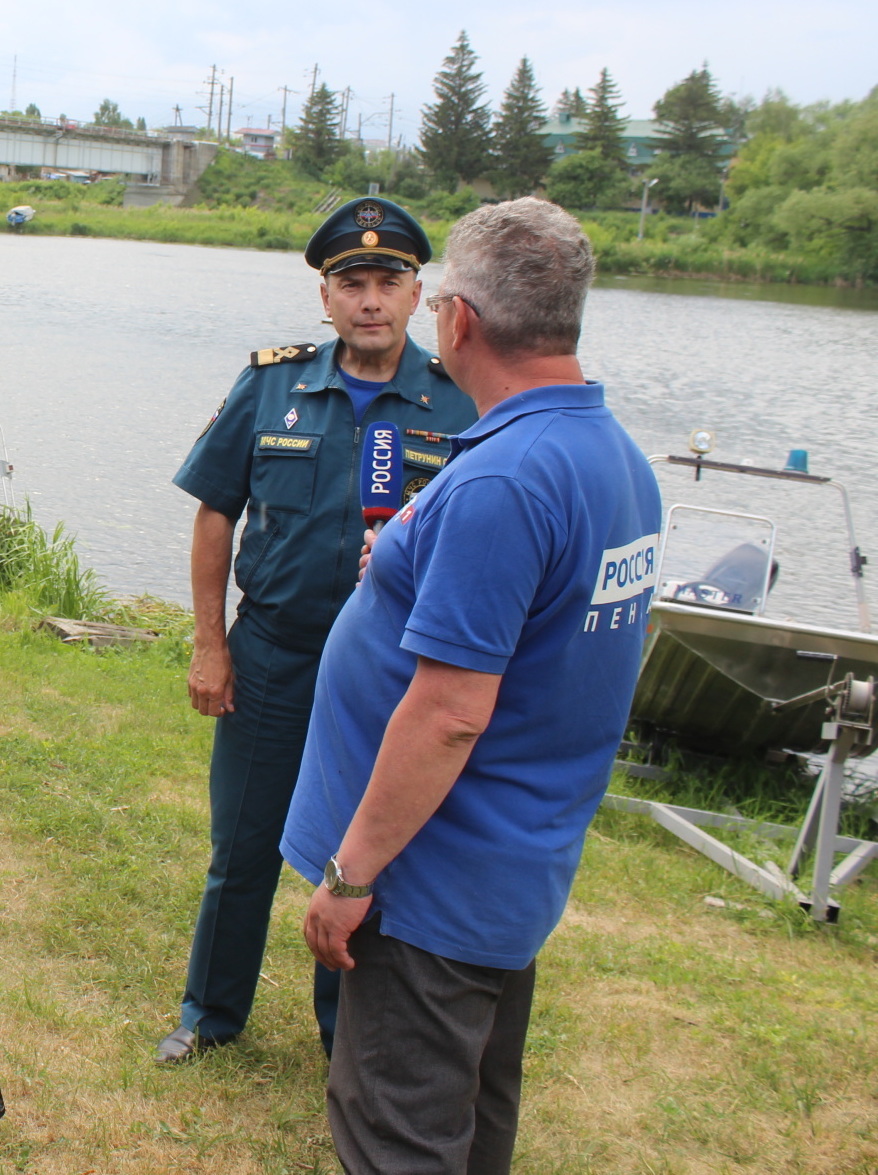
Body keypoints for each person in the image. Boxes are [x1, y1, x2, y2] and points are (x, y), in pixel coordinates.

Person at [282, 198, 662, 1174]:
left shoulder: (506, 479)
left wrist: (349, 874)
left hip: (428, 889)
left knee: (398, 1142)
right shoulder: (608, 455)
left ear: (456, 320)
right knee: (469, 1131)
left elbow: (450, 713)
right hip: (505, 876)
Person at [160, 196, 476, 1063]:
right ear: (326, 298)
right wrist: (210, 643)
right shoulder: (273, 384)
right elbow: (217, 512)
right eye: (352, 283)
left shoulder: (458, 405)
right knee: (244, 846)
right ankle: (208, 1015)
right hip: (272, 656)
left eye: (389, 281)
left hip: (391, 674)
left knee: (363, 855)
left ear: (420, 296)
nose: (370, 299)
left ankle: (351, 1035)